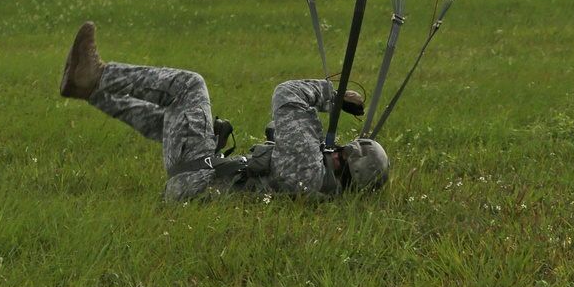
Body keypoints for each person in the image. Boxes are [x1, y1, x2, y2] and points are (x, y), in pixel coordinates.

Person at [59, 20, 389, 202]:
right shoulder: (314, 183)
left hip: (197, 181)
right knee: (171, 122)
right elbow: (278, 132)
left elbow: (287, 94)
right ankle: (89, 90)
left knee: (189, 87)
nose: (335, 149)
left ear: (348, 165)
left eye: (342, 152)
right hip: (197, 183)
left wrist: (332, 96)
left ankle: (99, 74)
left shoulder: (308, 169)